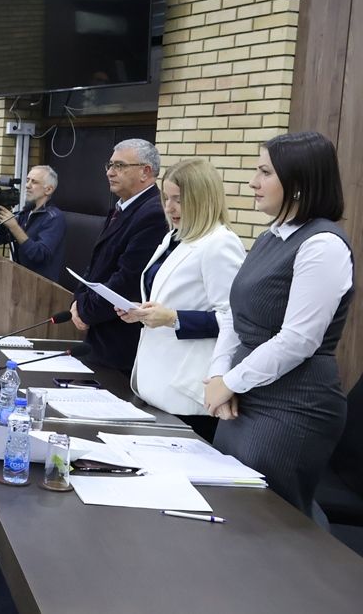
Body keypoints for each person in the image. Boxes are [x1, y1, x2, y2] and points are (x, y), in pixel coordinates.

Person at [205, 132, 354, 517]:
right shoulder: (270, 237)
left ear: (299, 183)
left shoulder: (323, 245)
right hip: (245, 393)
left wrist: (231, 382)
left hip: (293, 405)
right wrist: (219, 376)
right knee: (226, 509)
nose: (253, 182)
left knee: (263, 521)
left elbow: (298, 340)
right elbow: (235, 317)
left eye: (265, 172)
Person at [113, 158, 244, 442]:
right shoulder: (176, 238)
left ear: (203, 199)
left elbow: (234, 319)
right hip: (155, 381)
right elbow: (171, 298)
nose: (169, 208)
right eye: (166, 198)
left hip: (187, 391)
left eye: (179, 200)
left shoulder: (220, 243)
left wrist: (173, 318)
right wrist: (141, 311)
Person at [70, 138, 169, 375]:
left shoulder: (154, 213)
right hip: (100, 336)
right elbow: (95, 266)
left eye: (120, 166)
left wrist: (85, 310)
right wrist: (77, 302)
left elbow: (128, 279)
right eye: (110, 165)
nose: (110, 172)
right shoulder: (122, 207)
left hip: (121, 341)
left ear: (145, 171)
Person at [0, 165, 67, 282]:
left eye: (34, 182)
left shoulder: (54, 218)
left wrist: (15, 227)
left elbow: (39, 254)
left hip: (41, 285)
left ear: (48, 190)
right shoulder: (25, 213)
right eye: (27, 180)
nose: (27, 185)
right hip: (20, 280)